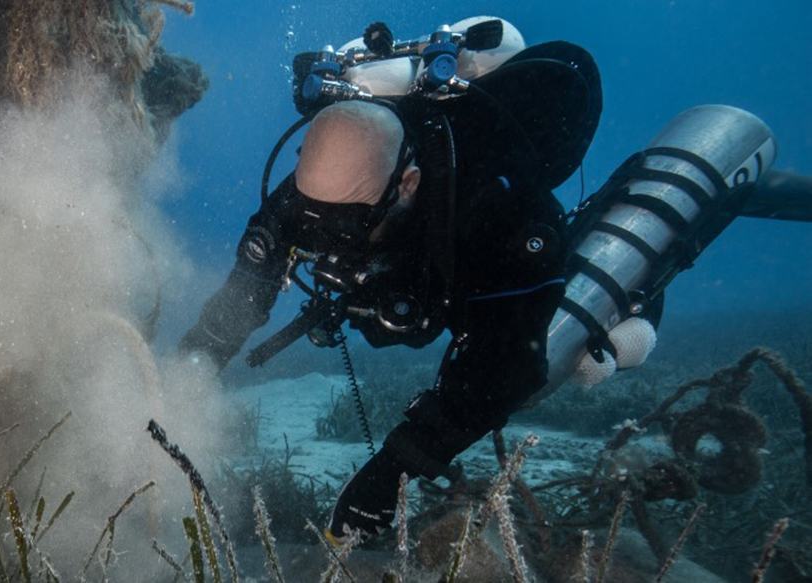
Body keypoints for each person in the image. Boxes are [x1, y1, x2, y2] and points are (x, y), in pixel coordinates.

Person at [179, 29, 603, 543]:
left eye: (348, 230)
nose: (330, 251)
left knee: (564, 358)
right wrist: (186, 372)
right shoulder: (308, 194)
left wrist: (392, 471)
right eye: (313, 230)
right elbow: (243, 294)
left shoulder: (494, 214)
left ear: (407, 185)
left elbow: (507, 367)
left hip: (484, 252)